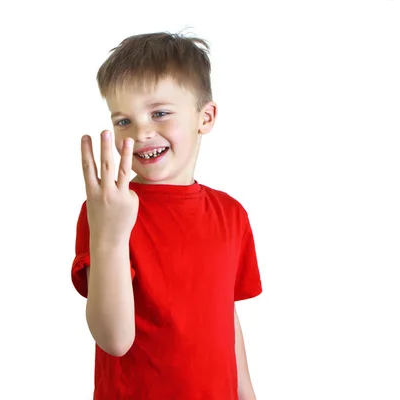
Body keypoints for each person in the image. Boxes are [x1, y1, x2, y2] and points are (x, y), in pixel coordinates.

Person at [71, 31, 263, 399]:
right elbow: (114, 339)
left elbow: (225, 317)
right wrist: (110, 235)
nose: (141, 131)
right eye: (123, 121)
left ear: (204, 118)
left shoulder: (231, 214)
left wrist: (247, 394)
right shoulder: (105, 210)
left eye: (159, 113)